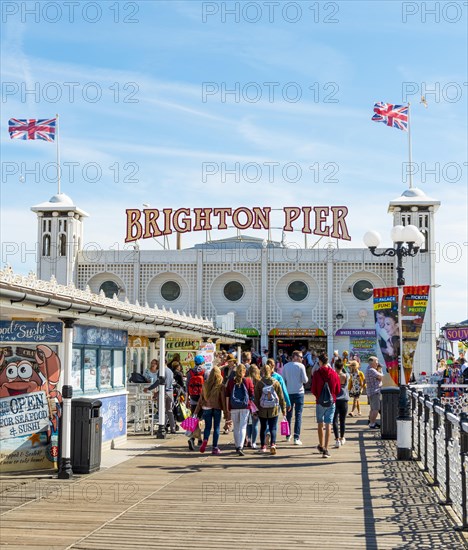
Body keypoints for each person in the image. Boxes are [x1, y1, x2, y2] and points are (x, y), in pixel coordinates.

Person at [311, 353, 341, 459]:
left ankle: (321, 445)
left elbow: (313, 389)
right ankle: (326, 449)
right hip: (331, 402)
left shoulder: (317, 373)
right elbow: (338, 389)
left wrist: (319, 396)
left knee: (320, 423)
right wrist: (332, 396)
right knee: (329, 424)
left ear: (320, 362)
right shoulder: (333, 374)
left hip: (319, 402)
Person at [194, 366, 229, 455]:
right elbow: (223, 401)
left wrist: (196, 412)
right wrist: (226, 413)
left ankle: (205, 440)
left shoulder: (205, 384)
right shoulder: (221, 386)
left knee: (207, 427)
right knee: (216, 427)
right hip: (217, 408)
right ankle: (215, 447)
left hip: (206, 408)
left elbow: (201, 399)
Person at [254, 362, 286, 455]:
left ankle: (263, 446)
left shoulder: (259, 383)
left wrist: (256, 410)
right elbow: (281, 396)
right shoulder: (275, 382)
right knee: (273, 427)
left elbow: (256, 398)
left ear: (262, 372)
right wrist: (283, 409)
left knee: (263, 427)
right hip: (274, 409)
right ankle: (273, 444)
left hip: (262, 409)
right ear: (271, 371)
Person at [225, 364, 254, 456]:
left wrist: (227, 408)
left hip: (233, 407)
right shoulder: (248, 380)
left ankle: (237, 446)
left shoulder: (230, 381)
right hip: (245, 407)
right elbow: (252, 394)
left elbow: (227, 395)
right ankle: (241, 446)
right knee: (243, 427)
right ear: (244, 371)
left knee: (236, 427)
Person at [282, 350, 308, 445]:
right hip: (299, 392)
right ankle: (296, 437)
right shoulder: (301, 366)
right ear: (296, 357)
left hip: (288, 393)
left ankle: (288, 435)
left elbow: (283, 380)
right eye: (301, 357)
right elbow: (305, 380)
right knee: (298, 415)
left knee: (289, 414)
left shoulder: (285, 366)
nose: (302, 359)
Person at [144, 361, 176, 434]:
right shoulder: (170, 371)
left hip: (164, 393)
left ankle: (162, 427)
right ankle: (172, 428)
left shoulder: (161, 371)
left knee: (161, 410)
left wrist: (149, 388)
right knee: (169, 411)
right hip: (170, 392)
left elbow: (158, 382)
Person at [186, 354, 207, 450]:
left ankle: (192, 437)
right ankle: (197, 438)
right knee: (201, 419)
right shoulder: (205, 372)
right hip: (202, 399)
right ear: (203, 362)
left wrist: (187, 400)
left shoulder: (190, 372)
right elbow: (207, 387)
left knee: (193, 417)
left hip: (193, 398)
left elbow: (187, 388)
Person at [333, 359, 350, 448]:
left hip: (335, 400)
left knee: (334, 420)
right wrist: (344, 366)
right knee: (342, 420)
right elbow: (347, 372)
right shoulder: (346, 375)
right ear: (342, 367)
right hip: (344, 400)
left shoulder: (333, 375)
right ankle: (342, 437)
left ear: (335, 367)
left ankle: (337, 439)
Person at [245, 364, 261, 448]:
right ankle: (254, 442)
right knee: (255, 424)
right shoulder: (259, 381)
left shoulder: (246, 380)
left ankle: (249, 440)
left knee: (248, 424)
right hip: (256, 405)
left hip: (247, 404)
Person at [365, 356, 383, 429]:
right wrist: (380, 371)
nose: (377, 363)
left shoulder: (368, 369)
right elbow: (381, 377)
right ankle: (372, 423)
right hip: (375, 391)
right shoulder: (372, 370)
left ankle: (372, 422)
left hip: (371, 391)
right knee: (376, 409)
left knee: (372, 409)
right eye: (376, 362)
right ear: (372, 363)